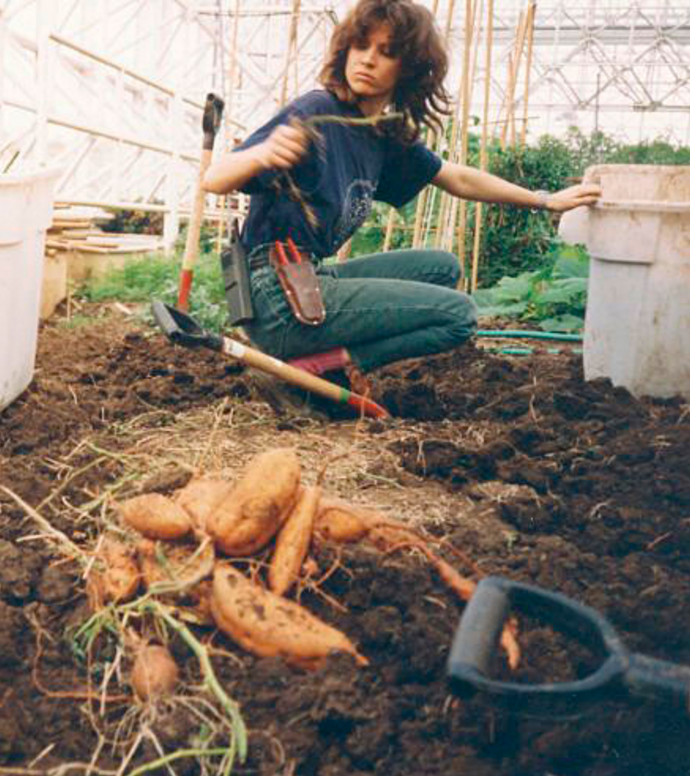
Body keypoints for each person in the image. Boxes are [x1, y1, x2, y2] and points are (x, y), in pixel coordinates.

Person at [204, 0, 600, 417]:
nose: (368, 59)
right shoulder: (316, 112)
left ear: (409, 69)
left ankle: (320, 364)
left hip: (307, 279)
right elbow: (214, 179)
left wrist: (545, 200)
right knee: (459, 316)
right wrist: (262, 154)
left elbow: (456, 178)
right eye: (361, 46)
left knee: (442, 267)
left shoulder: (380, 135)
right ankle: (311, 370)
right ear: (345, 51)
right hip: (277, 297)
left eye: (387, 51)